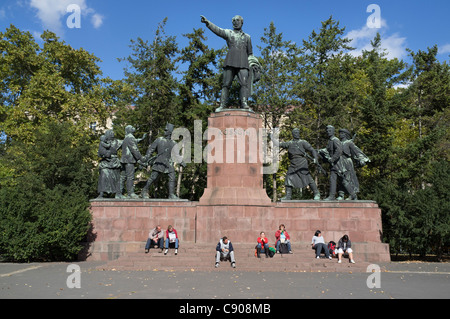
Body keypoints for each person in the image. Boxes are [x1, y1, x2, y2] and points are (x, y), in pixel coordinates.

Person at [201, 15, 253, 111]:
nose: (235, 22)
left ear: (242, 22)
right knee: (226, 84)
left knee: (244, 84)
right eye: (233, 20)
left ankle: (244, 103)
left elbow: (250, 53)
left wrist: (253, 64)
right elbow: (218, 30)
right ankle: (222, 105)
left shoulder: (247, 37)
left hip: (243, 63)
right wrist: (208, 23)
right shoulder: (229, 33)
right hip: (230, 61)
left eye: (237, 20)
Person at [140, 123, 185, 199]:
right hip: (159, 162)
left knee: (172, 177)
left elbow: (177, 155)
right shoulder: (159, 140)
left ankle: (171, 194)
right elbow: (150, 150)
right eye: (165, 130)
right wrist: (146, 158)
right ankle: (144, 190)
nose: (164, 131)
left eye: (166, 130)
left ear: (170, 132)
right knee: (153, 177)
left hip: (169, 163)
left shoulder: (174, 143)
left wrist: (181, 162)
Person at [274, 128, 321, 200]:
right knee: (288, 178)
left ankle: (316, 193)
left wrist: (315, 158)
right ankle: (288, 196)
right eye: (296, 133)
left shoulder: (303, 142)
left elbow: (312, 150)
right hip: (293, 163)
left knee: (307, 178)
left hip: (302, 163)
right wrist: (271, 137)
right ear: (293, 134)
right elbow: (278, 144)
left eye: (298, 132)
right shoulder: (289, 143)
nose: (297, 134)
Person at [319, 125, 353, 201]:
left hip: (338, 164)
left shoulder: (335, 140)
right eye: (327, 131)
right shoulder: (330, 141)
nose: (328, 132)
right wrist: (320, 151)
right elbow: (327, 150)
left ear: (333, 131)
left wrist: (332, 159)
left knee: (343, 181)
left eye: (330, 131)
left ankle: (352, 194)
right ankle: (332, 196)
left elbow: (339, 151)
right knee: (333, 179)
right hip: (333, 165)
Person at [337, 129, 370, 200]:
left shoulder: (349, 143)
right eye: (340, 133)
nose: (340, 134)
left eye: (342, 133)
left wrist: (361, 159)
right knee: (339, 178)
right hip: (339, 162)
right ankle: (341, 194)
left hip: (347, 162)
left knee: (346, 179)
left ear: (345, 134)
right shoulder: (338, 142)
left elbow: (356, 151)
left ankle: (352, 195)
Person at [120, 125, 146, 199]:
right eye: (132, 128)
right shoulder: (130, 137)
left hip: (125, 160)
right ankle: (130, 193)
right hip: (129, 160)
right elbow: (134, 150)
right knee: (130, 177)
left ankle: (119, 193)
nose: (133, 128)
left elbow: (135, 141)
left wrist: (141, 139)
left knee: (123, 177)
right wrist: (141, 158)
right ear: (129, 130)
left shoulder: (127, 137)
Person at [97, 130, 123, 199]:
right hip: (105, 162)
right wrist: (103, 155)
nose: (112, 134)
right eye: (110, 133)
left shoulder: (118, 142)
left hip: (114, 162)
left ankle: (118, 193)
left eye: (113, 133)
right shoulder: (103, 143)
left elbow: (126, 142)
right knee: (103, 175)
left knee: (116, 177)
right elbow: (99, 152)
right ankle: (101, 193)